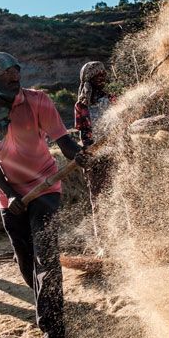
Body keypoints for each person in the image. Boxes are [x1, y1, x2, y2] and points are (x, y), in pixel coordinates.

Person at [0, 52, 90, 338]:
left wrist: (79, 156)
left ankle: (53, 326)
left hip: (45, 185)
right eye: (6, 74)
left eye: (16, 72)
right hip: (10, 192)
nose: (15, 78)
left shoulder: (37, 100)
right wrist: (11, 196)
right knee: (25, 261)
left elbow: (63, 141)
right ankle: (47, 304)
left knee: (45, 254)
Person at [74, 61, 116, 249]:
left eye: (103, 74)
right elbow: (84, 134)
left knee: (123, 196)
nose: (102, 78)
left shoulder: (113, 99)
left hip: (116, 152)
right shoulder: (81, 105)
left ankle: (129, 238)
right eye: (97, 75)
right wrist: (90, 156)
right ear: (89, 79)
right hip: (96, 157)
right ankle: (104, 245)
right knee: (98, 201)